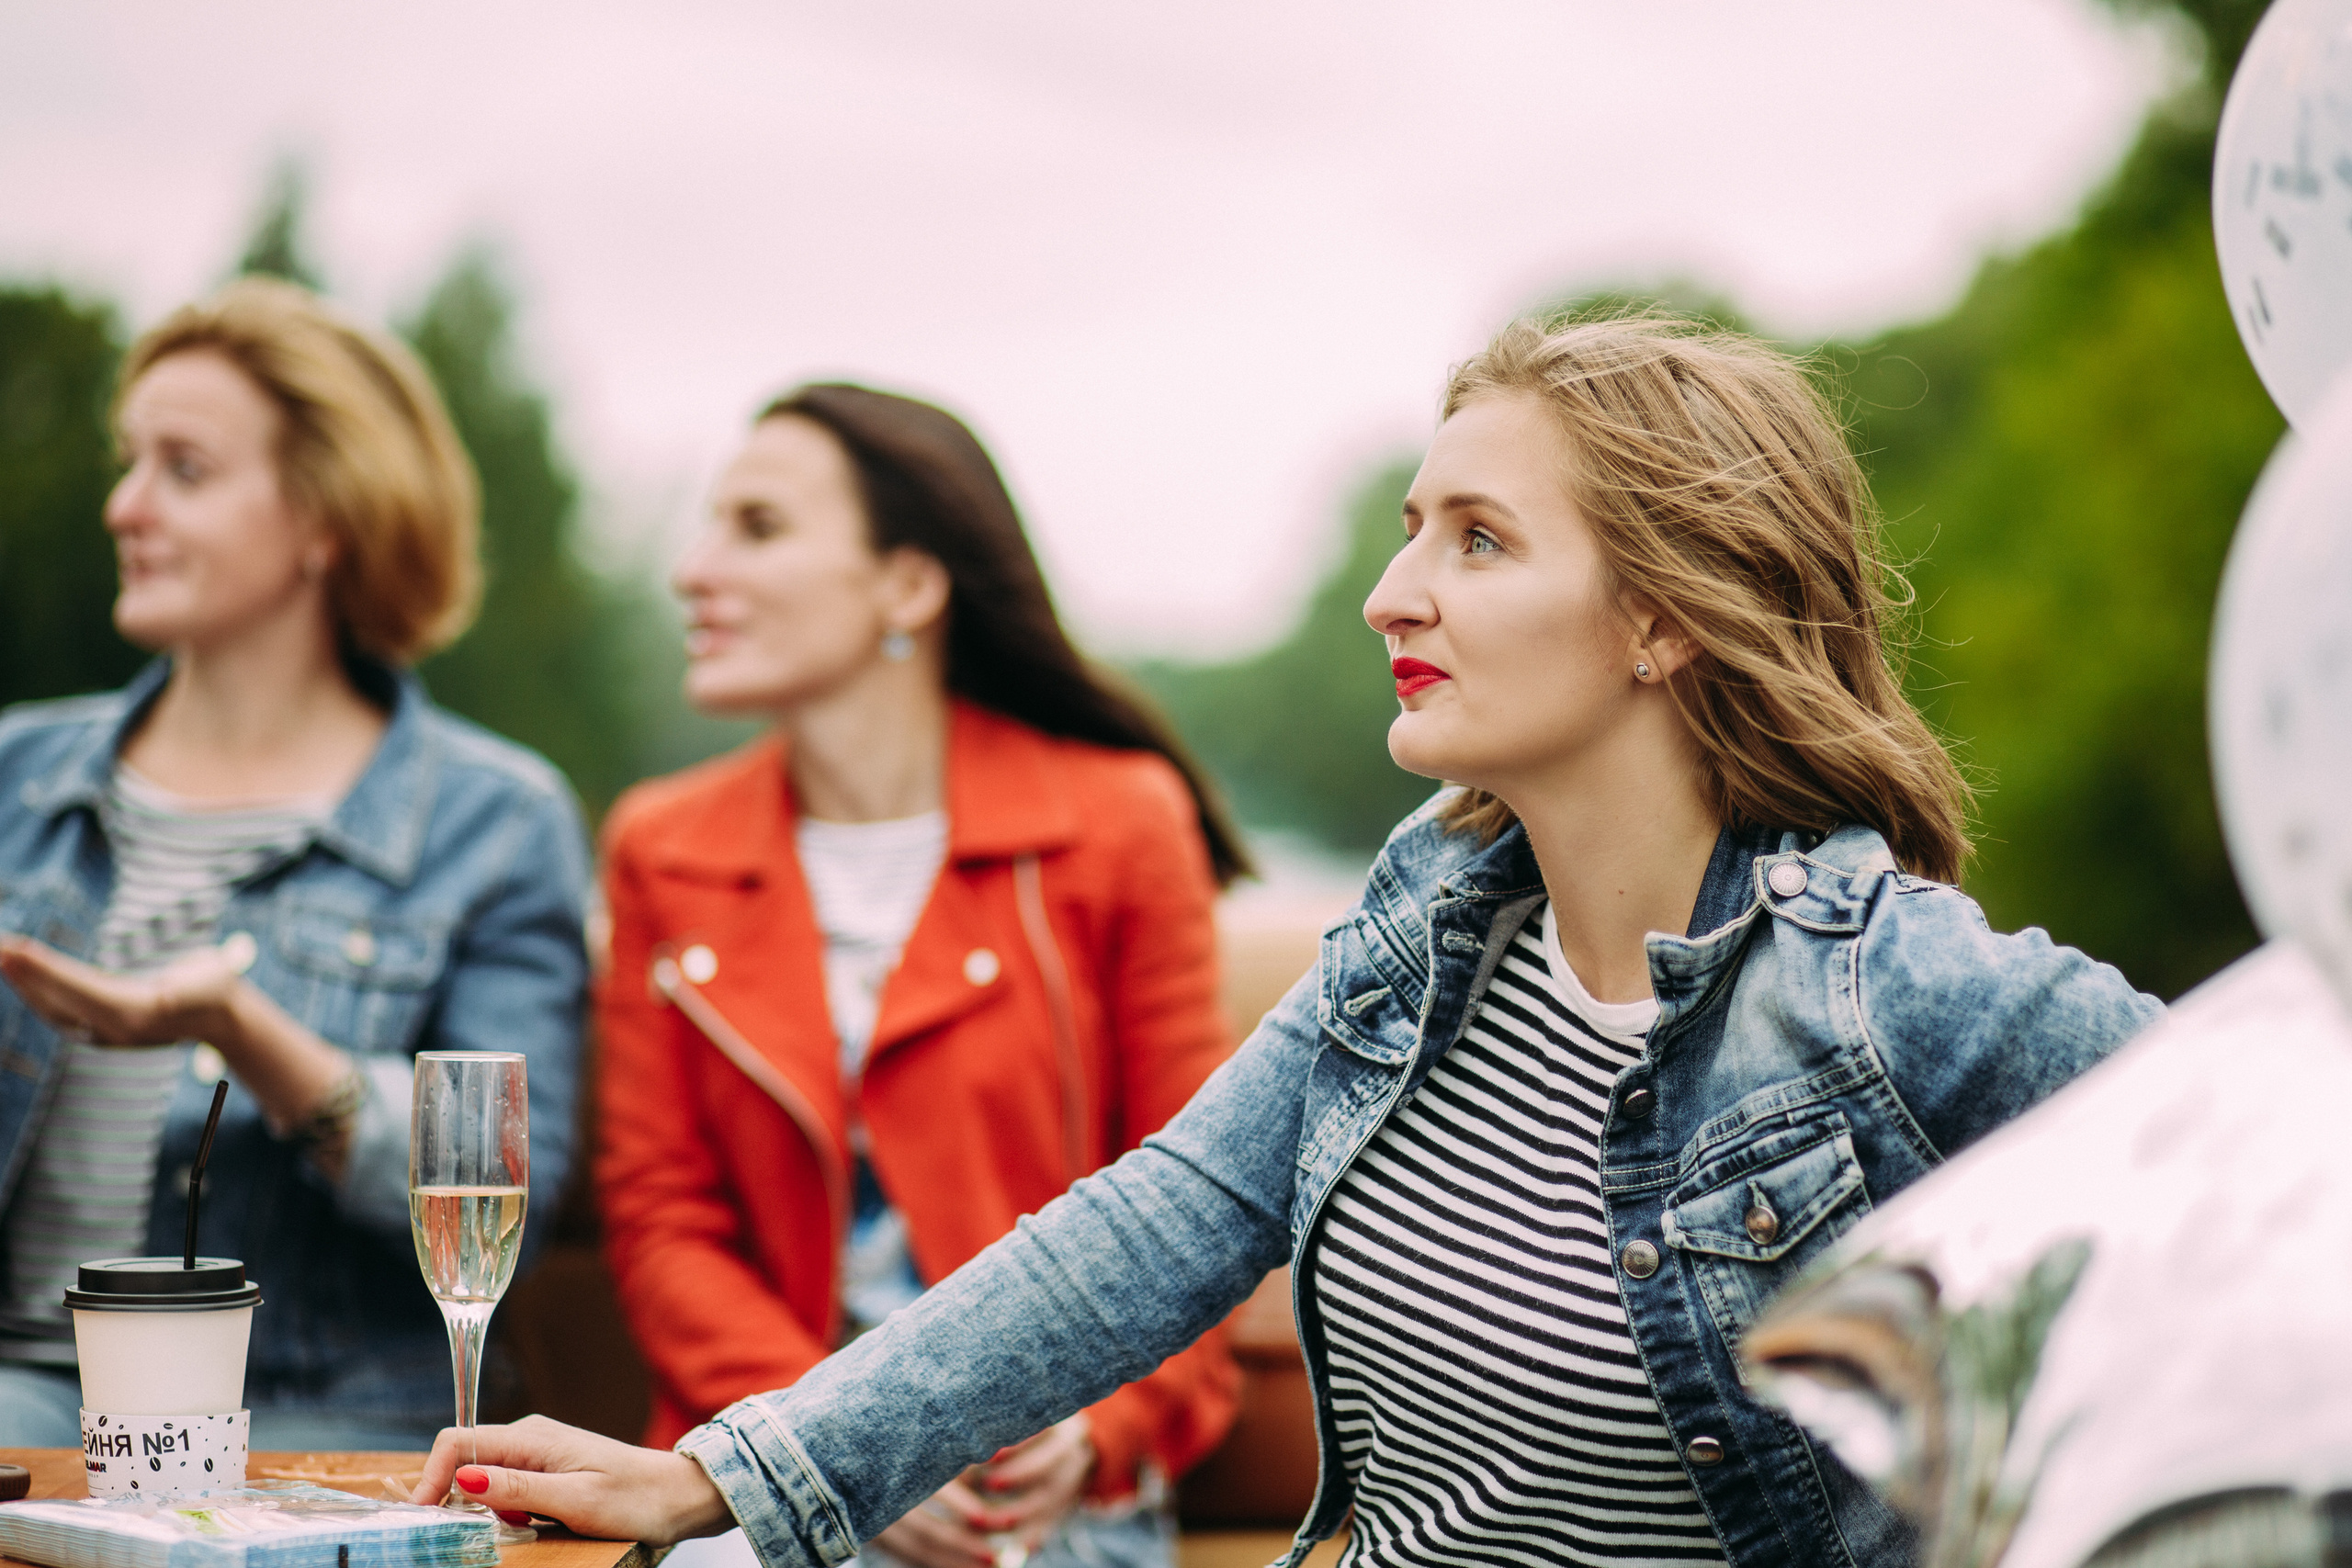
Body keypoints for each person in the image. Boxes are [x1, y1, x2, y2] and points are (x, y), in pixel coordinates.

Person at [413, 313, 2163, 1568]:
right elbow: (1140, 1235)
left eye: (1475, 539)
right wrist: (728, 1473)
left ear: (1656, 619)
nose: (1392, 593)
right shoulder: (1416, 946)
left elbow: (2261, 1166)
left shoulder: (1895, 984)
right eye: (1413, 531)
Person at [591, 385, 1248, 1568]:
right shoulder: (658, 847)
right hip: (747, 1472)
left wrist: (1108, 1430)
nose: (692, 570)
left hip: (1034, 1495)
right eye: (707, 526)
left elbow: (1208, 1191)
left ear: (907, 584)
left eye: (757, 527)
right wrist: (830, 1451)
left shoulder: (1119, 822)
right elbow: (661, 1220)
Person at [0, 278, 587, 1450]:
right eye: (130, 462)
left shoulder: (495, 821)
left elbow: (514, 1177)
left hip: (313, 1427)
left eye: (186, 469)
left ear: (329, 519)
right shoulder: (14, 773)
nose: (124, 505)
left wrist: (244, 1030)